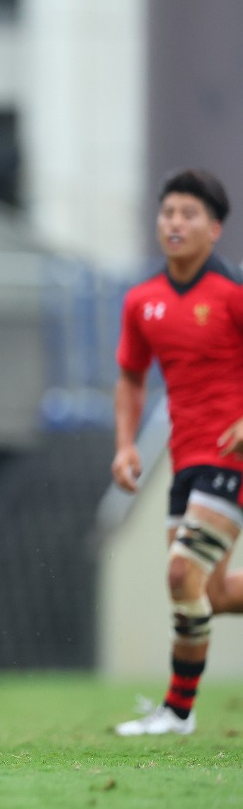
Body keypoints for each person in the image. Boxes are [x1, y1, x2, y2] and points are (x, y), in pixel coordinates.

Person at [112, 168, 243, 736]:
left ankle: (177, 711)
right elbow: (132, 376)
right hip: (185, 459)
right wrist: (124, 444)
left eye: (188, 215)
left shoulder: (233, 294)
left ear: (213, 229)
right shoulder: (143, 301)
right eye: (168, 213)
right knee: (206, 592)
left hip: (230, 457)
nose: (175, 223)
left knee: (179, 574)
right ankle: (176, 711)